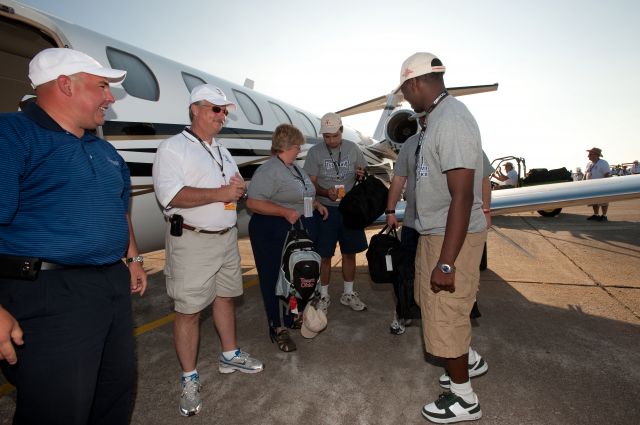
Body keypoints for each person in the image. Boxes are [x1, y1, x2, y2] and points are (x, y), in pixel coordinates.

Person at [0, 48, 147, 425]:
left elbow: (118, 209)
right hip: (50, 292)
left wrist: (132, 259)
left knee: (114, 393)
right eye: (101, 86)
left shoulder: (104, 149)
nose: (110, 97)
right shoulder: (12, 135)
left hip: (110, 286)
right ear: (65, 85)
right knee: (58, 409)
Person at [152, 84, 263, 417]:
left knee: (226, 297)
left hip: (226, 238)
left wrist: (238, 189)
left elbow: (234, 183)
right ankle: (189, 378)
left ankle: (229, 355)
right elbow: (171, 196)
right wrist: (221, 193)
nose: (222, 115)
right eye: (216, 109)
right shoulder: (172, 148)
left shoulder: (222, 149)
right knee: (188, 311)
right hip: (193, 240)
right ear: (195, 110)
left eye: (224, 110)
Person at [397, 52, 488, 423]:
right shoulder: (433, 120)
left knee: (446, 314)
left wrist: (447, 260)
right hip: (434, 231)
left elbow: (463, 195)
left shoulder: (450, 121)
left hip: (451, 237)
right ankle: (467, 360)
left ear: (416, 83)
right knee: (430, 302)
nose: (404, 97)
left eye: (405, 90)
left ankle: (465, 399)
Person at [386, 113, 493, 335]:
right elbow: (398, 179)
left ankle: (456, 321)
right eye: (422, 117)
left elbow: (484, 179)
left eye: (429, 115)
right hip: (414, 224)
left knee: (456, 274)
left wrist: (486, 210)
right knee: (407, 273)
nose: (425, 120)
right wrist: (390, 210)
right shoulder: (411, 144)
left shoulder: (462, 140)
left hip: (450, 226)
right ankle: (404, 313)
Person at [246, 124, 328, 352]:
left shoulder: (294, 168)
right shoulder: (269, 170)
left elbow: (302, 195)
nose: (300, 150)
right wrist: (283, 211)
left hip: (295, 230)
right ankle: (277, 326)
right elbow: (253, 202)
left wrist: (317, 204)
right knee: (273, 278)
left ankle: (292, 316)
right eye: (297, 146)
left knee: (294, 276)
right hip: (271, 231)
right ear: (289, 146)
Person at [303, 112, 369, 313]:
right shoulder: (315, 152)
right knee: (324, 255)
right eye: (327, 136)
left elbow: (364, 171)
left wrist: (362, 174)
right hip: (325, 210)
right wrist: (325, 192)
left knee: (349, 253)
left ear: (341, 131)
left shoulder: (353, 148)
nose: (331, 140)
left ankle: (348, 294)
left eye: (335, 135)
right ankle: (323, 295)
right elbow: (310, 183)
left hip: (349, 210)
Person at [584, 147, 611, 222]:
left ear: (596, 155)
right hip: (591, 186)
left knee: (603, 201)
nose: (588, 156)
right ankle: (596, 215)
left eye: (590, 154)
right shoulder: (589, 164)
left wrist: (606, 186)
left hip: (601, 186)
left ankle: (604, 216)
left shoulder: (603, 163)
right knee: (594, 201)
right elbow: (585, 174)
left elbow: (607, 174)